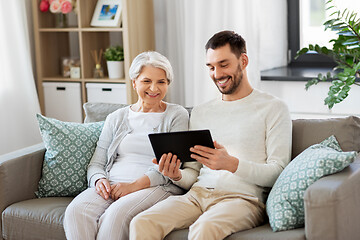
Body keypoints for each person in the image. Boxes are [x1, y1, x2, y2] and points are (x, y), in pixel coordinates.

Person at [129, 30, 292, 240]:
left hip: (242, 200)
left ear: (243, 61)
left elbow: (278, 172)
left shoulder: (274, 108)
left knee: (204, 228)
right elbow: (192, 175)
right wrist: (175, 175)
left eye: (224, 65)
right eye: (211, 67)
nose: (217, 74)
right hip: (197, 195)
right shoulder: (201, 112)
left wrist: (231, 164)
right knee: (142, 222)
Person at [63, 51, 199, 240]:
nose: (154, 88)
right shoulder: (116, 117)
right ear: (134, 82)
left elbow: (168, 165)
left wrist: (133, 186)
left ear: (168, 84)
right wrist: (98, 180)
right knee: (76, 211)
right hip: (112, 184)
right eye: (146, 81)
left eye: (161, 82)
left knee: (115, 216)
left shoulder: (177, 115)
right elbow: (96, 163)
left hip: (155, 186)